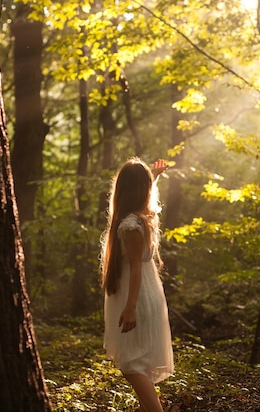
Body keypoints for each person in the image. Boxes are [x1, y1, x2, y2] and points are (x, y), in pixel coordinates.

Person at [101, 157, 173, 412]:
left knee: (131, 365)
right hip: (146, 293)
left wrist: (130, 307)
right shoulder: (144, 217)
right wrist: (154, 176)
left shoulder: (130, 225)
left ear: (121, 189)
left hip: (137, 296)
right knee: (138, 364)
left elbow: (133, 270)